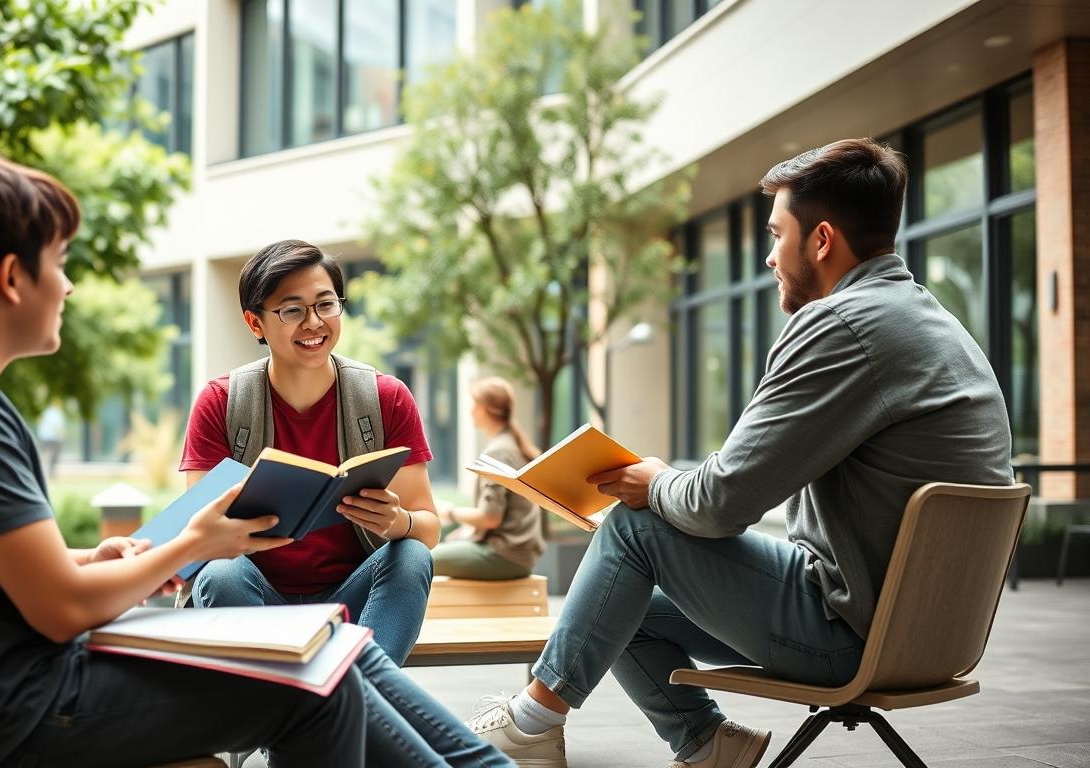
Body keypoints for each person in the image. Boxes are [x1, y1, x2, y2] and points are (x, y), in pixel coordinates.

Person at [0, 147, 512, 768]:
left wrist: (97, 560)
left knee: (330, 649)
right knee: (316, 685)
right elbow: (62, 612)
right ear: (10, 279)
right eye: (59, 263)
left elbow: (15, 581)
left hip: (11, 682)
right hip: (29, 701)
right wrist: (191, 544)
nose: (68, 285)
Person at [465, 138, 1014, 768]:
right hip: (935, 638)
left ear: (822, 240)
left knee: (635, 526)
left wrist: (657, 482)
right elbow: (741, 482)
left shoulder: (843, 325)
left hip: (855, 638)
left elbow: (722, 505)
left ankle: (531, 724)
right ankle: (707, 744)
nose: (769, 256)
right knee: (621, 605)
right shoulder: (933, 325)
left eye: (778, 234)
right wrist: (676, 482)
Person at [180, 239, 441, 666]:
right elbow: (198, 536)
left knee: (411, 554)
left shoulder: (386, 398)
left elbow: (428, 528)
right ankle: (312, 713)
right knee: (222, 572)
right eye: (292, 310)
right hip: (253, 601)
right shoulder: (221, 402)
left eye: (326, 304)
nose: (314, 323)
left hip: (349, 603)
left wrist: (398, 521)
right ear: (255, 322)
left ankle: (361, 699)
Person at [433, 377, 545, 579]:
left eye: (474, 405)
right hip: (520, 554)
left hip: (504, 555)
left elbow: (490, 518)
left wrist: (450, 512)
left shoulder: (499, 451)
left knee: (422, 561)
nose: (470, 411)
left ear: (486, 409)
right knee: (447, 545)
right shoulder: (510, 444)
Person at [37, 400, 65, 477]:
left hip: (46, 436)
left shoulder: (47, 412)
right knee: (50, 454)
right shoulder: (54, 413)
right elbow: (57, 426)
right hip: (52, 437)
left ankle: (49, 471)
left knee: (51, 454)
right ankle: (48, 471)